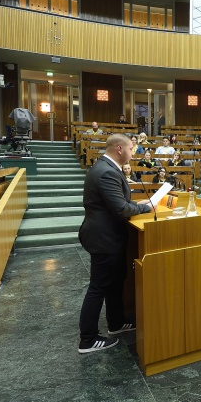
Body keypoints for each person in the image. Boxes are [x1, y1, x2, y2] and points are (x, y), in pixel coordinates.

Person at [78, 134, 152, 353]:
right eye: (131, 148)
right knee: (99, 287)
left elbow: (117, 202)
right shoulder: (107, 172)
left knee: (115, 281)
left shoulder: (105, 167)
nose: (134, 152)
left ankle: (116, 323)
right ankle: (88, 339)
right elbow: (120, 209)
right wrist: (145, 208)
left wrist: (136, 204)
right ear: (119, 149)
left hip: (110, 236)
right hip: (104, 238)